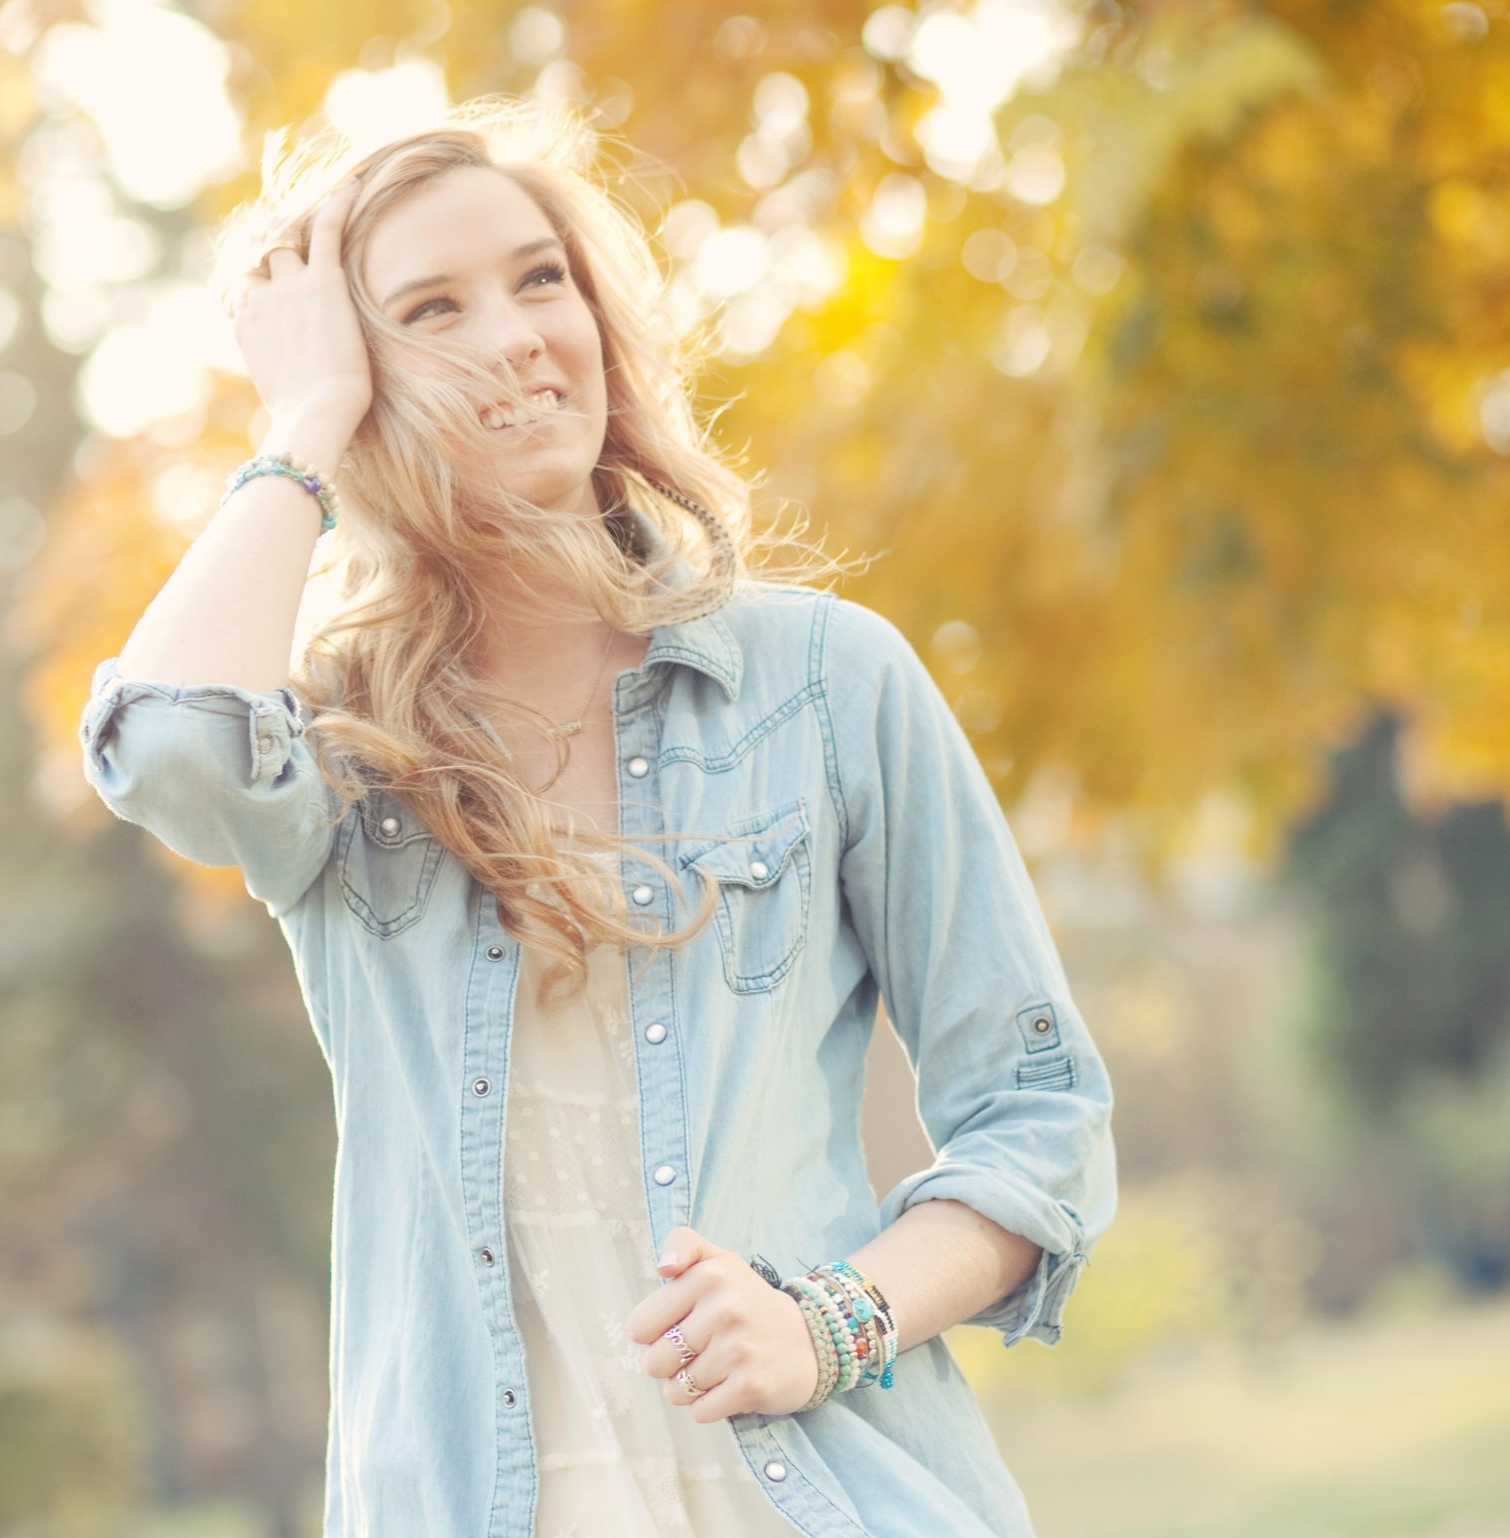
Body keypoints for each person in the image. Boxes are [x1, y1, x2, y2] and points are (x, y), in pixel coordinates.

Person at [79, 94, 1117, 1538]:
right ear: (358, 375)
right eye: (429, 310)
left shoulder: (825, 680)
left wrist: (831, 1320)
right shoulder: (342, 755)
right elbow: (172, 752)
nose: (513, 336)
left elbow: (1041, 1119)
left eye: (539, 277)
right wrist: (302, 419)